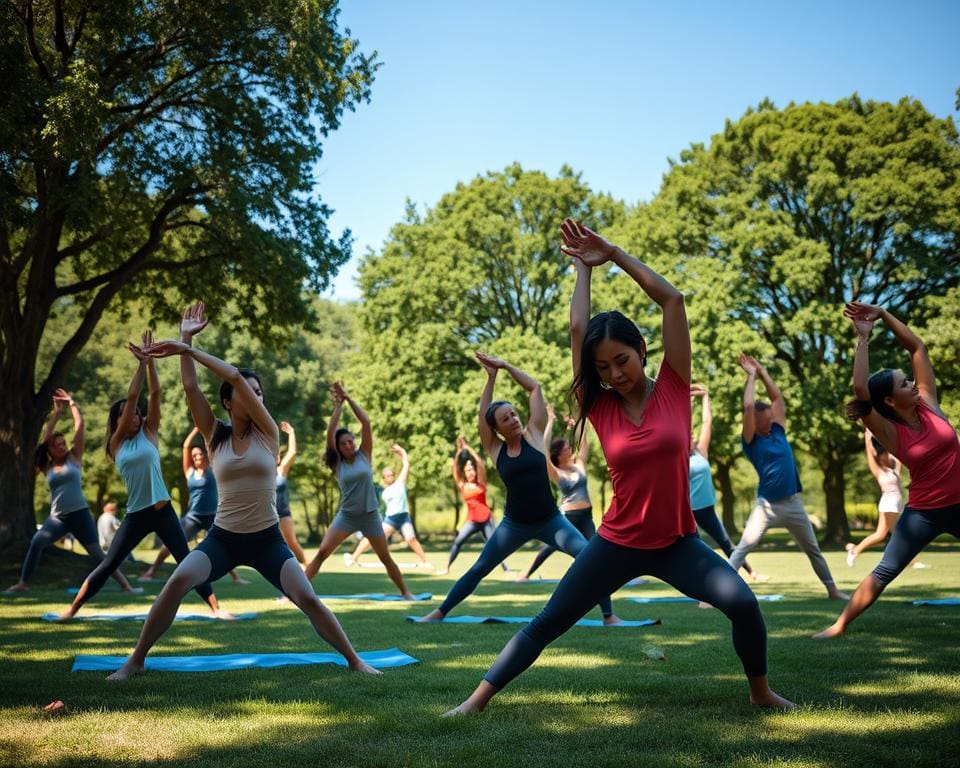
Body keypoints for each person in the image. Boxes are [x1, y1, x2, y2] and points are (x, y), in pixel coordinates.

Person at [444, 219, 792, 714]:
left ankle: (761, 694)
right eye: (603, 367)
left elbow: (673, 301)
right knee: (550, 619)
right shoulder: (599, 404)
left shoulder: (674, 384)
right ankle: (475, 701)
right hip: (616, 544)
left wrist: (614, 255)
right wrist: (584, 271)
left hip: (678, 544)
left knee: (743, 605)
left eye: (622, 361)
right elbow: (578, 330)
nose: (614, 374)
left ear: (642, 350)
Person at [107, 302, 378, 679]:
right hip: (224, 539)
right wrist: (185, 338)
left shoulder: (268, 433)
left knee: (308, 598)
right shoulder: (214, 436)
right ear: (228, 403)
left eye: (258, 392)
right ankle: (134, 661)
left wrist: (188, 348)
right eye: (248, 392)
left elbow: (233, 375)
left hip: (267, 539)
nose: (255, 397)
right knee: (176, 583)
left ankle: (355, 660)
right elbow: (190, 386)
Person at [418, 352, 621, 625]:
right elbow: (482, 414)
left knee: (589, 557)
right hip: (514, 524)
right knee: (480, 567)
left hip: (551, 520)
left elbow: (535, 388)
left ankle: (609, 616)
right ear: (496, 428)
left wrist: (504, 366)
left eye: (513, 413)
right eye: (505, 418)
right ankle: (439, 612)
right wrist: (490, 379)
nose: (513, 418)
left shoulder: (534, 435)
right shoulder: (495, 448)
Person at [814, 302, 960, 639]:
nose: (911, 383)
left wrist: (882, 314)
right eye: (902, 383)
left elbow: (917, 347)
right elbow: (861, 390)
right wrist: (862, 338)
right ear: (891, 400)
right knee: (886, 570)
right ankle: (839, 625)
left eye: (908, 379)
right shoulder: (888, 431)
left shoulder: (928, 402)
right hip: (925, 511)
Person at [57, 332, 228, 620]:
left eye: (137, 413)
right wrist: (140, 365)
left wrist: (150, 364)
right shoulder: (117, 444)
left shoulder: (150, 432)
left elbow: (154, 395)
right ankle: (71, 610)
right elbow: (134, 395)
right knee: (109, 564)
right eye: (128, 414)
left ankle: (217, 609)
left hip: (163, 511)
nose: (135, 416)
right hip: (136, 515)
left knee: (186, 561)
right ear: (119, 420)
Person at [727, 353, 847, 601]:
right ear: (755, 422)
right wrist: (750, 377)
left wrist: (761, 370)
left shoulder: (778, 431)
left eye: (772, 417)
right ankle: (714, 595)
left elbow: (777, 397)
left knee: (812, 549)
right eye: (766, 420)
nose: (771, 421)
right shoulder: (751, 441)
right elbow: (748, 406)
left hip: (792, 503)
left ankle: (832, 590)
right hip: (767, 507)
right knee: (743, 548)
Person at [5, 390, 139, 595]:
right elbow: (44, 440)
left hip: (80, 515)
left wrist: (73, 405)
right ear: (50, 450)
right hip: (57, 518)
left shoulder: (74, 458)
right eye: (56, 445)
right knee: (37, 542)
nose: (61, 447)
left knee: (97, 554)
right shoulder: (46, 467)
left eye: (63, 444)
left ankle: (126, 586)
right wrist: (57, 414)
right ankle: (23, 583)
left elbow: (80, 427)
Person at [303, 382, 415, 599]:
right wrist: (337, 407)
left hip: (371, 515)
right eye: (344, 444)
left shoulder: (365, 454)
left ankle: (406, 593)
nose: (349, 445)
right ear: (338, 447)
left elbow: (365, 421)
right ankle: (295, 594)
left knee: (385, 558)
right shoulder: (338, 464)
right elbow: (330, 433)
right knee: (322, 553)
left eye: (350, 441)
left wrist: (347, 398)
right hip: (347, 516)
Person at [140, 427, 249, 583]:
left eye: (199, 454)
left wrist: (205, 432)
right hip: (194, 517)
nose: (197, 456)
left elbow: (213, 448)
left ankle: (236, 578)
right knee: (171, 543)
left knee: (223, 545)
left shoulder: (212, 469)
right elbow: (185, 447)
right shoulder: (189, 472)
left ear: (204, 456)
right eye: (194, 455)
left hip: (212, 516)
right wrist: (195, 430)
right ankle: (151, 572)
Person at [688, 385, 764, 582]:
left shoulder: (701, 451)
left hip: (706, 508)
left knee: (725, 541)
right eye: (689, 434)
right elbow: (680, 422)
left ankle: (751, 572)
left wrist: (705, 396)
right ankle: (698, 582)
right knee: (690, 547)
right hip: (687, 510)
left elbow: (707, 422)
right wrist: (684, 401)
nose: (694, 435)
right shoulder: (678, 458)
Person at [515, 407, 598, 582]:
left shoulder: (579, 464)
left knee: (596, 548)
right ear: (559, 455)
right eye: (567, 448)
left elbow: (584, 444)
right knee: (551, 546)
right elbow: (545, 450)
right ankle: (526, 575)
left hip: (586, 516)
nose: (570, 449)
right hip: (569, 515)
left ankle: (610, 578)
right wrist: (551, 421)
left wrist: (577, 425)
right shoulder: (556, 472)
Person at [845, 430, 926, 569]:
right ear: (879, 456)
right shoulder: (878, 470)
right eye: (884, 454)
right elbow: (870, 454)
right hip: (889, 504)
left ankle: (854, 550)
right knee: (898, 534)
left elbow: (898, 454)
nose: (887, 456)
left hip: (894, 504)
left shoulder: (893, 470)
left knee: (881, 535)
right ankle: (913, 561)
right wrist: (867, 436)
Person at [346, 443, 430, 567]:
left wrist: (402, 452)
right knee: (373, 537)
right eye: (387, 475)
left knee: (410, 539)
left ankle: (425, 562)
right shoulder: (383, 492)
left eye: (391, 474)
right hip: (391, 519)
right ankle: (353, 557)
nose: (390, 476)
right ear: (384, 478)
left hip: (403, 517)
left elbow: (406, 464)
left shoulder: (400, 483)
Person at [439, 437, 508, 576]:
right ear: (464, 473)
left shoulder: (481, 484)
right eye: (468, 470)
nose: (471, 471)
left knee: (494, 544)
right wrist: (459, 451)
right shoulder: (462, 485)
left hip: (486, 519)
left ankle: (506, 569)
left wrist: (468, 447)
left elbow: (480, 463)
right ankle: (447, 568)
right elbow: (455, 468)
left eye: (472, 469)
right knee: (458, 541)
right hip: (471, 521)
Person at [275, 421, 307, 563]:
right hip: (266, 515)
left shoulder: (281, 470)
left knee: (291, 543)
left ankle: (307, 567)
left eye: (277, 454)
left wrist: (291, 433)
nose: (276, 457)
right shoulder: (259, 473)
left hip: (283, 514)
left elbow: (292, 452)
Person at [98, 501, 136, 566]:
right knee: (127, 558)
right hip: (113, 542)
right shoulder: (111, 517)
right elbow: (119, 529)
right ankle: (134, 566)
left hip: (103, 543)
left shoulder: (101, 517)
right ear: (113, 509)